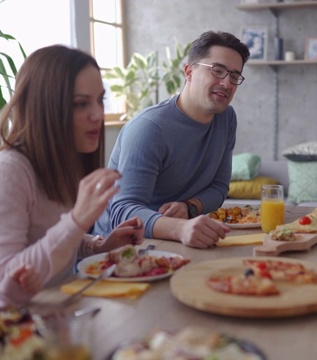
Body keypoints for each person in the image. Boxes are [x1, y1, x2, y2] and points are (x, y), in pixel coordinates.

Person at [0, 45, 144, 316]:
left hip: (53, 309)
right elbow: (6, 280)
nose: (97, 114)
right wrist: (76, 221)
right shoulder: (8, 170)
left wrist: (100, 245)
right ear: (45, 107)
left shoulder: (63, 160)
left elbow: (46, 235)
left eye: (99, 100)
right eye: (81, 103)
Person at [93, 31, 250, 249]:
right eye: (217, 71)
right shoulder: (149, 128)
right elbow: (122, 211)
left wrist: (189, 207)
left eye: (234, 76)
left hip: (176, 240)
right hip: (119, 248)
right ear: (189, 72)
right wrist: (180, 228)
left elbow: (219, 186)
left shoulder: (226, 118)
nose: (226, 83)